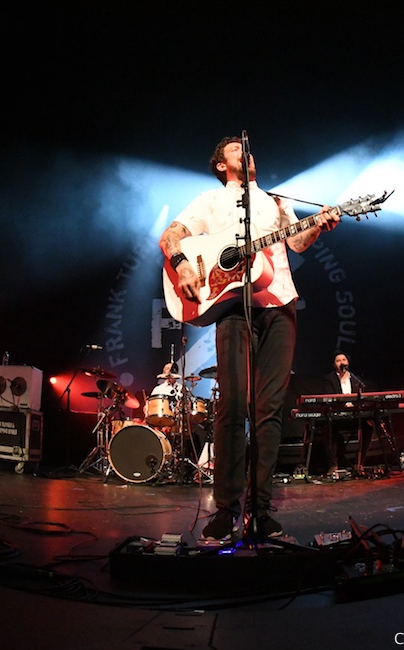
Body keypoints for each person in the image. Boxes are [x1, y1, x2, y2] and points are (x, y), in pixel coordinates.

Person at [159, 135, 340, 541]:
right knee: (232, 406)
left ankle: (260, 510)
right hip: (232, 307)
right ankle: (226, 511)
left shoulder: (276, 201)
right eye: (234, 149)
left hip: (280, 304)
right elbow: (171, 236)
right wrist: (184, 265)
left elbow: (296, 242)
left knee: (269, 409)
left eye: (246, 148)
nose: (246, 151)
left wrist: (318, 225)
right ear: (221, 165)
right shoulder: (210, 200)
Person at [321, 351, 373, 477]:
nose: (341, 362)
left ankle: (358, 463)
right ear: (334, 364)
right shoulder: (329, 379)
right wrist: (343, 404)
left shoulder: (355, 380)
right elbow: (328, 398)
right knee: (327, 429)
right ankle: (333, 465)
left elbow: (362, 398)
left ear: (348, 363)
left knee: (368, 428)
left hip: (353, 416)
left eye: (343, 360)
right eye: (338, 360)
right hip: (337, 417)